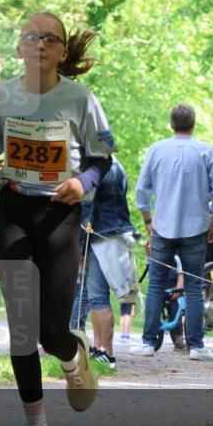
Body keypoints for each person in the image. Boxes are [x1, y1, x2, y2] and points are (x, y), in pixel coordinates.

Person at [0, 12, 114, 426]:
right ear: (19, 47)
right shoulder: (1, 96)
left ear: (62, 51)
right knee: (20, 329)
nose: (39, 45)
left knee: (51, 331)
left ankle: (73, 359)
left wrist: (82, 183)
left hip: (59, 212)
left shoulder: (80, 98)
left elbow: (101, 158)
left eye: (49, 39)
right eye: (31, 37)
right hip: (13, 209)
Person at [130, 104, 213, 361]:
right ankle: (196, 346)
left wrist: (148, 221)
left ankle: (149, 342)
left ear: (171, 124)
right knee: (194, 286)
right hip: (196, 227)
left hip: (163, 226)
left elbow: (142, 191)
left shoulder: (157, 149)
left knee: (156, 284)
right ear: (193, 124)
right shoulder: (205, 150)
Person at [68, 156, 138, 371]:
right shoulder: (117, 164)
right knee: (97, 295)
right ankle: (101, 351)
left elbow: (88, 208)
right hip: (117, 234)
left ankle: (104, 352)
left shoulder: (93, 169)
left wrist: (80, 244)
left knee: (97, 296)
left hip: (100, 238)